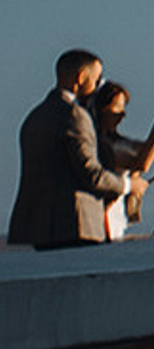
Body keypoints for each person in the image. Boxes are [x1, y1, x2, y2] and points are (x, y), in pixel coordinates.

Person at [8, 50, 133, 251]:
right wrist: (127, 185)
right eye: (96, 78)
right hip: (77, 226)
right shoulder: (76, 116)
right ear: (81, 77)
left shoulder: (35, 117)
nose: (98, 85)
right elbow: (91, 174)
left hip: (40, 229)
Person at [90, 80, 154, 240]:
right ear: (102, 109)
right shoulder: (102, 146)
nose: (122, 114)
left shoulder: (121, 141)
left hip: (118, 218)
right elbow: (142, 162)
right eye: (118, 107)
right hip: (103, 220)